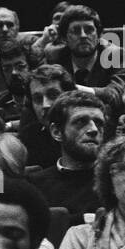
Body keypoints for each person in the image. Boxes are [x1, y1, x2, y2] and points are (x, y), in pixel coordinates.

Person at [29, 91, 105, 219]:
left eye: (99, 123)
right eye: (81, 121)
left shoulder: (115, 180)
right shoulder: (34, 186)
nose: (94, 129)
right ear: (56, 132)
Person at [49, 5, 125, 108]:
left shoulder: (118, 55)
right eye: (76, 31)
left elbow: (117, 95)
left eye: (89, 30)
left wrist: (72, 88)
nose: (83, 35)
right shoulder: (54, 56)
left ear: (99, 35)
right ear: (65, 38)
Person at [18, 64, 74, 170]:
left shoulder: (86, 133)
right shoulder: (28, 137)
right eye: (38, 99)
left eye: (53, 95)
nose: (45, 105)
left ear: (69, 96)